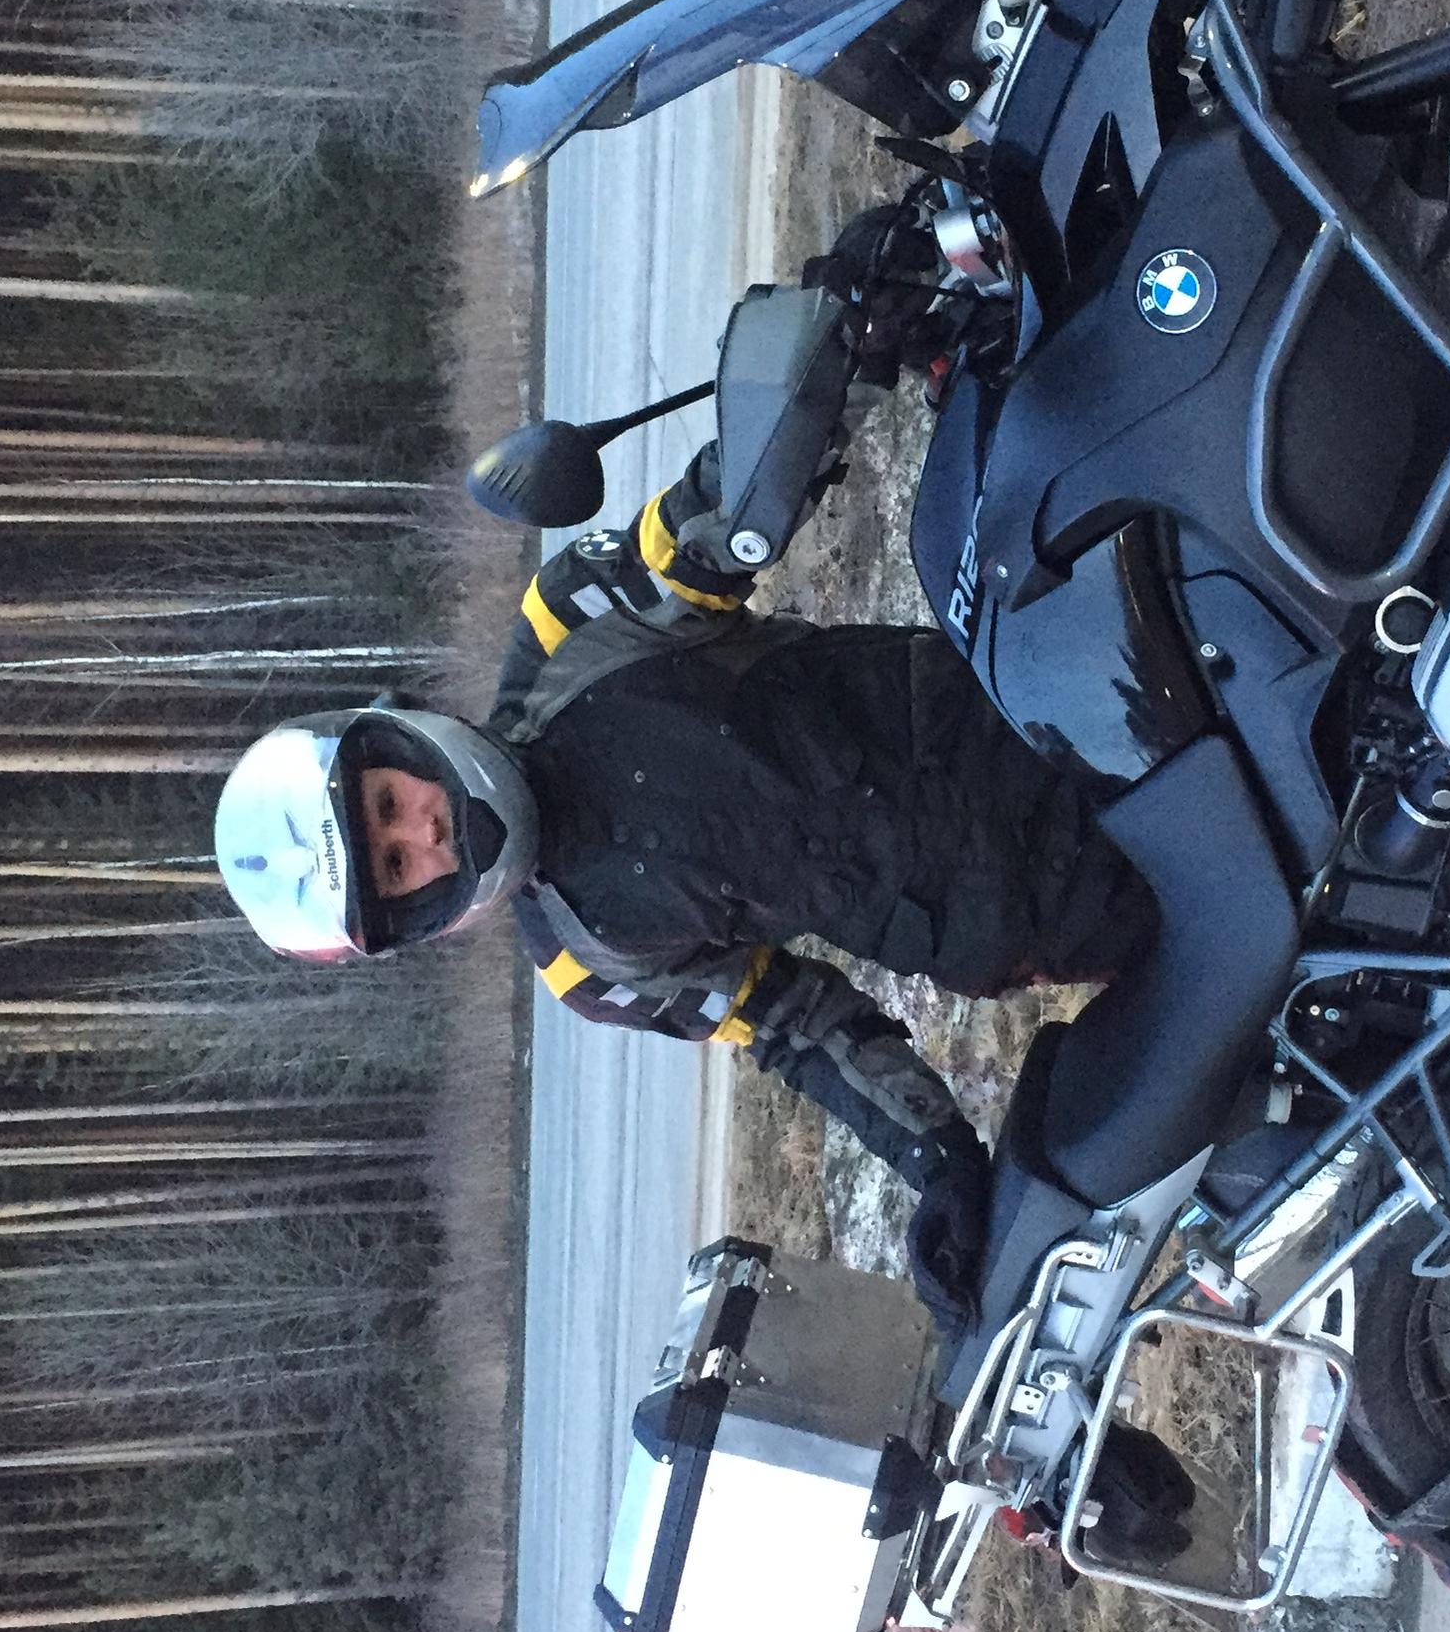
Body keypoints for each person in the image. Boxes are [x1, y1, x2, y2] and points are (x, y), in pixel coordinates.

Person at [212, 225, 1155, 1342]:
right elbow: (797, 1025)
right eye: (396, 867)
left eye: (386, 805)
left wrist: (839, 344)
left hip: (1041, 702)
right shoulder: (590, 964)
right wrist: (939, 1159)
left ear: (396, 741)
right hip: (1047, 915)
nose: (424, 834)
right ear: (415, 914)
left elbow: (718, 523)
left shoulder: (568, 630)